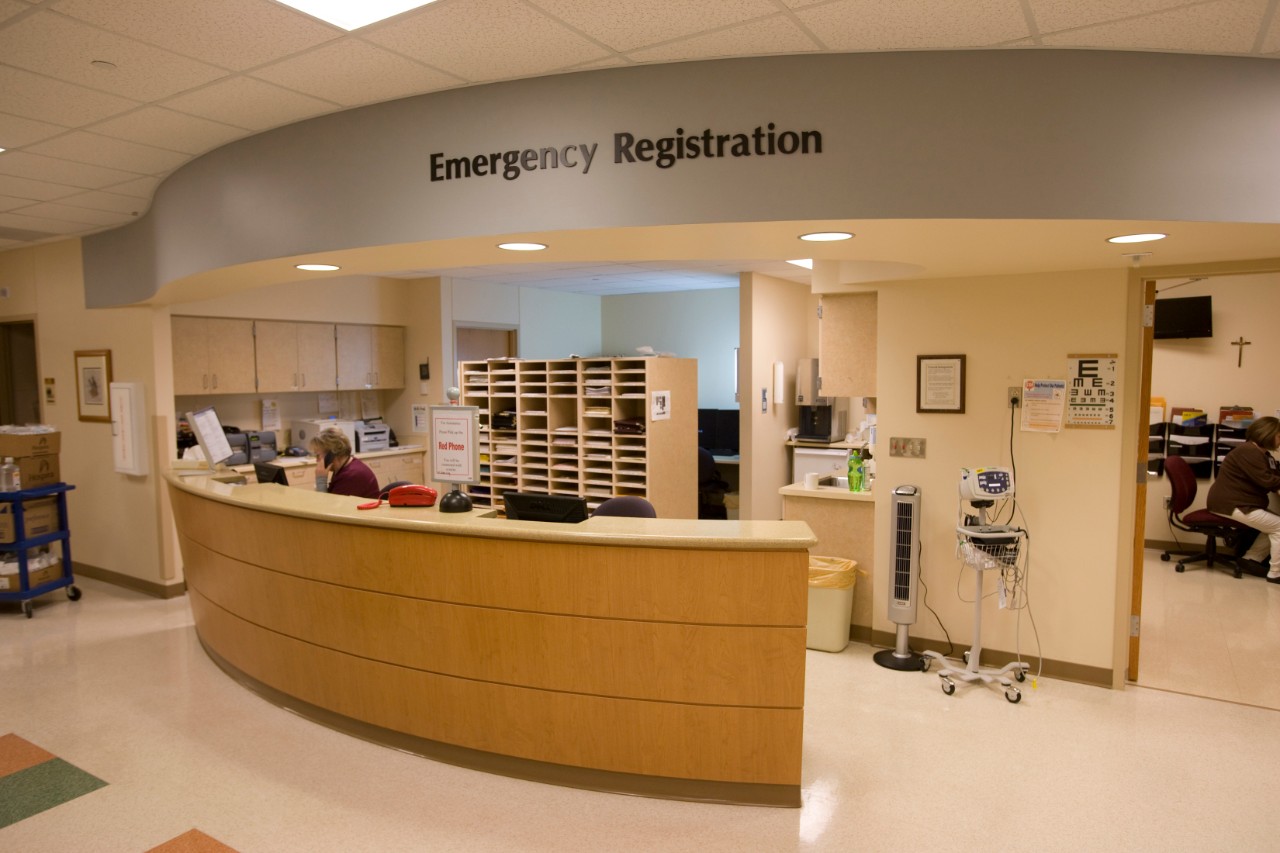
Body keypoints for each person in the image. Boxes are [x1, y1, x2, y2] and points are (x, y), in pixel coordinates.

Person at [1206, 416, 1280, 583]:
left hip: (1241, 502)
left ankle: (1250, 559)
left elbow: (1272, 476)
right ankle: (1276, 573)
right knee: (1279, 528)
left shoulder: (1262, 453)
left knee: (1274, 525)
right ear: (1267, 434)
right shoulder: (1249, 451)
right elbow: (1266, 480)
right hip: (1231, 504)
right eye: (1279, 436)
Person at [309, 427, 380, 499]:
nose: (317, 460)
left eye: (318, 455)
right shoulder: (342, 468)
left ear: (331, 454)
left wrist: (321, 480)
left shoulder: (352, 475)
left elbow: (326, 508)